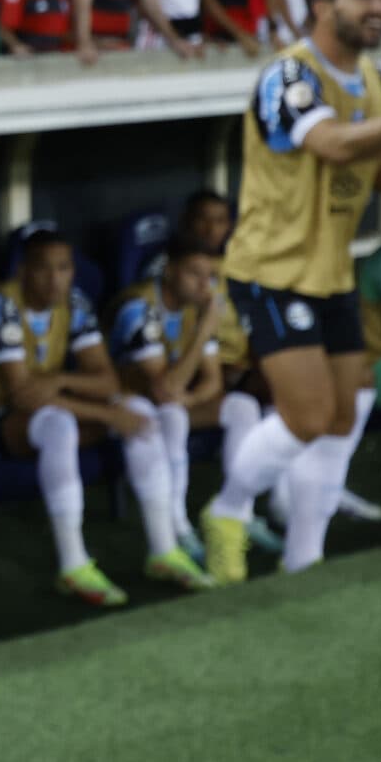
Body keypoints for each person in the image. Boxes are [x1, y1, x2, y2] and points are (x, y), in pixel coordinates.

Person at [203, 0, 381, 582]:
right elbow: (334, 145)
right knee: (308, 416)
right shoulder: (288, 75)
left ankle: (304, 558)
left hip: (331, 270)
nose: (378, 8)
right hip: (272, 269)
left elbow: (378, 169)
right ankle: (227, 511)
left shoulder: (372, 77)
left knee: (350, 405)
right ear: (322, 6)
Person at [0, 229, 199, 601]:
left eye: (64, 268)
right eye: (44, 269)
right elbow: (23, 395)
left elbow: (106, 379)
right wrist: (107, 415)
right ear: (23, 272)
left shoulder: (73, 304)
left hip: (40, 408)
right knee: (63, 424)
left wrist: (62, 378)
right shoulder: (1, 307)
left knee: (139, 411)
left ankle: (164, 550)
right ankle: (73, 564)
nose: (55, 278)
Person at [109, 238, 233, 583]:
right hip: (116, 401)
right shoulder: (138, 306)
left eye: (209, 276)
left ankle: (191, 523)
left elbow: (213, 382)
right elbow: (164, 388)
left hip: (163, 402)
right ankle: (165, 543)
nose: (204, 284)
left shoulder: (197, 306)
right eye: (194, 273)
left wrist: (188, 400)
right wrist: (205, 330)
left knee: (218, 410)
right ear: (169, 270)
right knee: (153, 419)